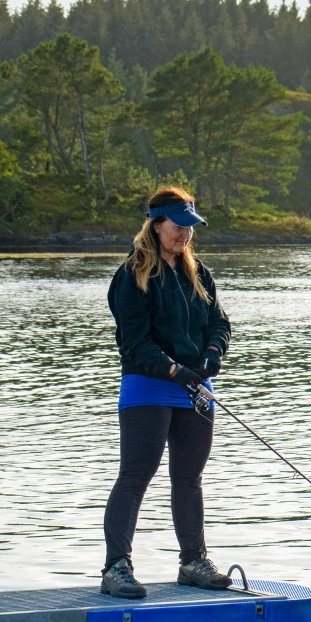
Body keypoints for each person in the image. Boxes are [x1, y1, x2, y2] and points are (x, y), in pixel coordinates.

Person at [101, 186, 233, 599]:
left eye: (191, 227)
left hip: (195, 387)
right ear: (156, 227)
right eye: (179, 227)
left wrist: (212, 354)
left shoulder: (199, 273)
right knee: (136, 475)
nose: (186, 235)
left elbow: (220, 323)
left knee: (189, 478)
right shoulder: (132, 275)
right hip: (148, 387)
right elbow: (134, 343)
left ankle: (193, 561)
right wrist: (174, 370)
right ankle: (116, 568)